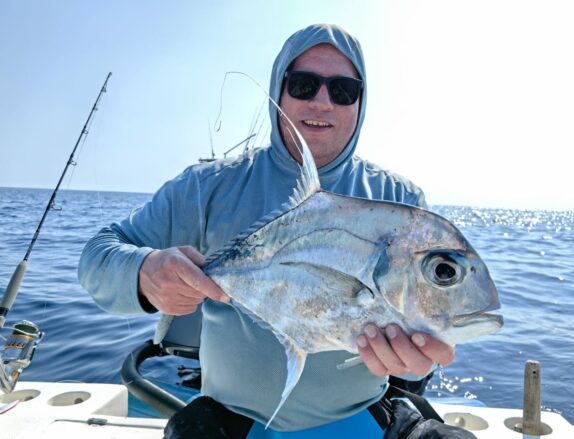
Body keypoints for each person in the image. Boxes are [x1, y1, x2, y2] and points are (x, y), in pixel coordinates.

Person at [78, 24, 455, 434]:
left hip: (359, 418)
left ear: (361, 103)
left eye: (342, 90)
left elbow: (426, 315)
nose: (322, 103)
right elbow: (96, 256)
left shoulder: (399, 202)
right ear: (279, 89)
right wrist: (143, 271)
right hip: (230, 421)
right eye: (304, 84)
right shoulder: (207, 188)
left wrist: (426, 351)